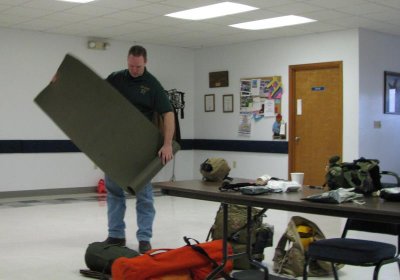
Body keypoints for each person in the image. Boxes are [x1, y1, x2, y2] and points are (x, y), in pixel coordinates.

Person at [103, 45, 175, 254]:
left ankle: (144, 238)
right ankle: (116, 234)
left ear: (146, 63)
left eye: (138, 66)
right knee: (114, 192)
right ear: (127, 61)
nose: (134, 70)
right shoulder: (116, 78)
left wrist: (167, 143)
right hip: (116, 145)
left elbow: (168, 114)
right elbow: (93, 92)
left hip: (141, 148)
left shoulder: (152, 85)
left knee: (144, 195)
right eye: (131, 65)